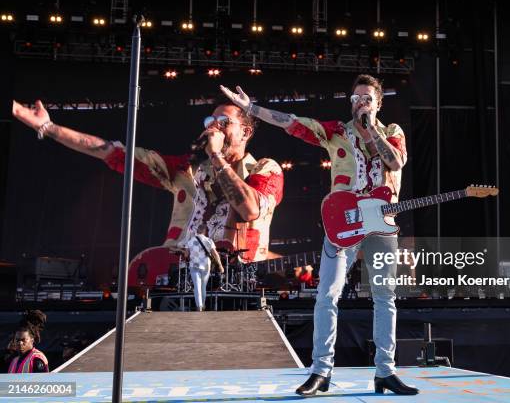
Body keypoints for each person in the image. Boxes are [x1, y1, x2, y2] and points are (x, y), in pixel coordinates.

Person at [220, 74, 417, 396]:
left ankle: (386, 372)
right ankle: (321, 371)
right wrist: (251, 108)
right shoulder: (336, 132)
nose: (360, 103)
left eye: (366, 99)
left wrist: (370, 130)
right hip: (343, 224)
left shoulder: (392, 132)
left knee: (385, 298)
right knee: (327, 295)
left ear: (378, 103)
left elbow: (395, 161)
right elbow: (292, 122)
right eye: (355, 99)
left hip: (381, 223)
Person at [11, 100, 283, 265]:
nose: (213, 127)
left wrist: (214, 155)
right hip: (178, 277)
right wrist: (46, 127)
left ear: (245, 131)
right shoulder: (186, 170)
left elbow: (249, 209)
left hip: (237, 283)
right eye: (210, 121)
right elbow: (113, 152)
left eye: (223, 122)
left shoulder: (265, 169)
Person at [182, 226, 223, 311]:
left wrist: (188, 255)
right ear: (204, 231)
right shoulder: (209, 241)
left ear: (197, 231)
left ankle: (199, 306)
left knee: (197, 286)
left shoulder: (190, 241)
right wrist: (220, 265)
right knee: (203, 286)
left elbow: (186, 255)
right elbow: (215, 254)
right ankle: (202, 305)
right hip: (206, 266)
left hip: (194, 265)